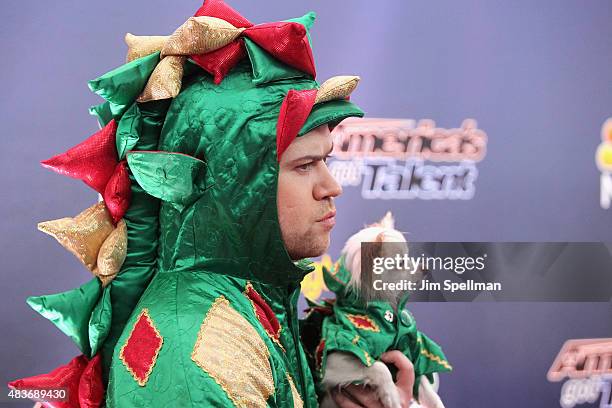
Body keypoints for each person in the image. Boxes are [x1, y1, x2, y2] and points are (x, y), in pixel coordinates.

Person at [9, 1, 417, 407]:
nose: (331, 187)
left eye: (325, 160)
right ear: (234, 187)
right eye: (305, 165)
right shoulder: (195, 357)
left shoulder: (251, 301)